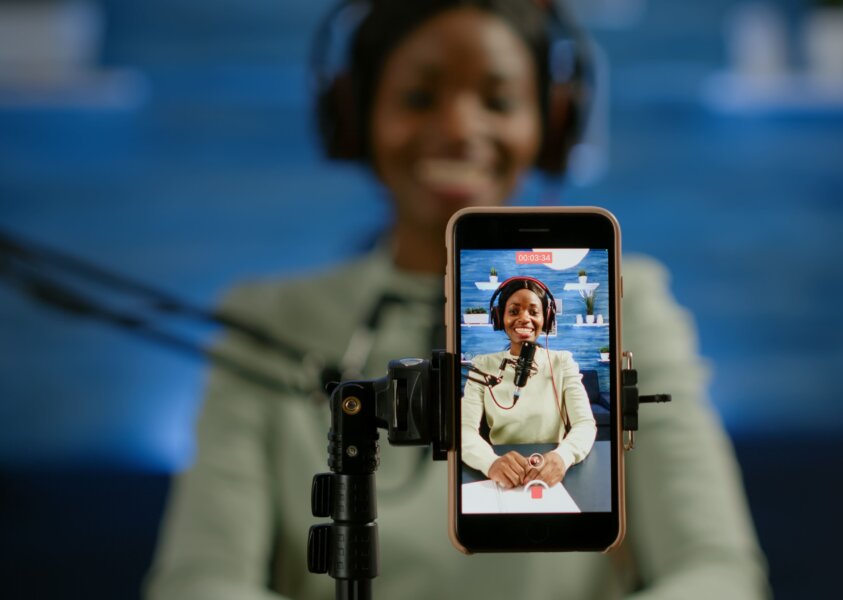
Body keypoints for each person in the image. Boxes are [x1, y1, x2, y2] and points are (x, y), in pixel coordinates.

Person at [145, 0, 770, 598]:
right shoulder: (264, 323)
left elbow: (718, 574)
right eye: (419, 98)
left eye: (498, 100)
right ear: (355, 113)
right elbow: (197, 582)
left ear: (550, 123)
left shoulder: (622, 309)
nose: (458, 129)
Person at [461, 276, 597, 488]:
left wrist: (563, 456)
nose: (524, 318)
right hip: (504, 474)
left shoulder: (562, 362)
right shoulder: (483, 365)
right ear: (499, 318)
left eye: (533, 312)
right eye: (514, 311)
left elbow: (585, 424)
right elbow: (464, 430)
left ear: (547, 318)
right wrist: (490, 462)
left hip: (552, 473)